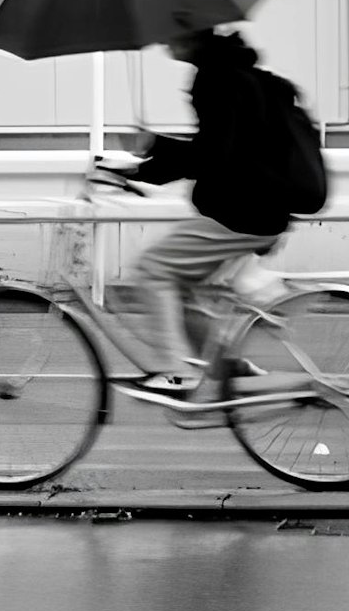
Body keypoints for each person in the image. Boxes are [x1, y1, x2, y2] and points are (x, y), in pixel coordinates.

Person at [108, 22, 311, 400]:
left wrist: (150, 153)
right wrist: (145, 165)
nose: (166, 41)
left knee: (154, 270)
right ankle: (229, 369)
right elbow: (222, 150)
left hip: (240, 213)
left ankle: (176, 373)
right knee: (186, 287)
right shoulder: (233, 72)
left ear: (192, 36)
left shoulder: (218, 80)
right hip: (259, 208)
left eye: (173, 34)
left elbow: (215, 157)